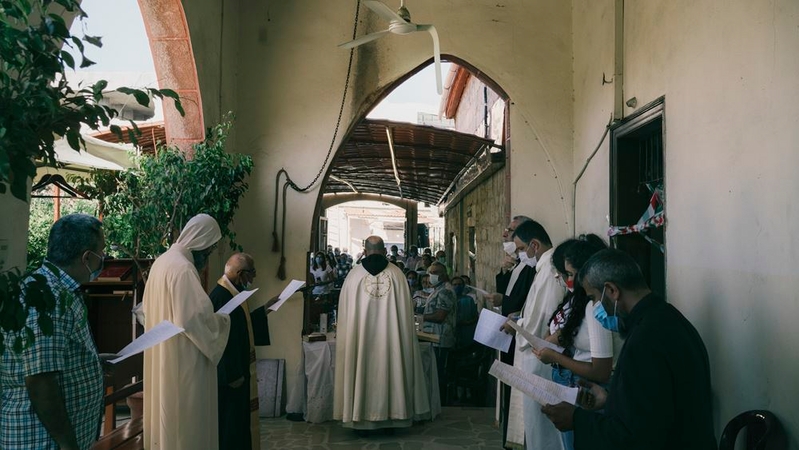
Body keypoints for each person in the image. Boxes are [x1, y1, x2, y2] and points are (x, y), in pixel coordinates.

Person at [541, 250, 716, 449]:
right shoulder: (669, 318)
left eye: (594, 298)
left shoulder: (645, 340)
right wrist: (611, 400)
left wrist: (577, 419)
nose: (596, 307)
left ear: (612, 290)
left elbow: (635, 436)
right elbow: (655, 404)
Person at [1, 214, 105, 450]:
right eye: (102, 253)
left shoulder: (60, 289)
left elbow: (51, 358)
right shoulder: (46, 297)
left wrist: (93, 363)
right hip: (41, 440)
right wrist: (69, 446)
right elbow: (40, 381)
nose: (104, 260)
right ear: (87, 257)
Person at [143, 214, 231, 450]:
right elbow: (193, 318)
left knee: (169, 425)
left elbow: (146, 310)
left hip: (164, 354)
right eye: (210, 250)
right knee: (187, 426)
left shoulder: (162, 263)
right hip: (184, 360)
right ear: (200, 243)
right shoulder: (183, 269)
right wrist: (222, 320)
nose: (208, 256)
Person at [333, 236, 431, 431]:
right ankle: (395, 415)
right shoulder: (397, 275)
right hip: (391, 341)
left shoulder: (354, 276)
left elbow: (345, 314)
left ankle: (360, 419)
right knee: (393, 366)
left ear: (365, 249)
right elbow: (405, 313)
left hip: (360, 341)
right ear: (384, 251)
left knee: (361, 368)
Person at [536, 236, 619, 450]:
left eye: (570, 274)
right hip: (573, 380)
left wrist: (555, 356)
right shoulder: (580, 300)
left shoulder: (595, 307)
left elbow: (601, 370)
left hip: (589, 386)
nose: (565, 279)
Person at [502, 219, 565, 450]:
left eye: (521, 249)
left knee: (542, 426)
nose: (520, 254)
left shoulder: (549, 270)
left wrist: (518, 325)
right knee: (535, 424)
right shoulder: (543, 268)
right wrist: (520, 317)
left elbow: (542, 318)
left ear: (534, 245)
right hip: (535, 352)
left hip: (538, 356)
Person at [209, 253, 279, 450]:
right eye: (252, 272)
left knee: (239, 423)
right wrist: (231, 374)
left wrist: (265, 309)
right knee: (230, 425)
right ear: (240, 273)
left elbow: (241, 325)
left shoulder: (234, 292)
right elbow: (218, 339)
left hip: (239, 371)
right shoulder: (220, 296)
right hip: (230, 376)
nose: (254, 277)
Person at [489, 215, 536, 448]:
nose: (507, 234)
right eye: (507, 230)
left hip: (520, 332)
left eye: (512, 231)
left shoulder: (532, 266)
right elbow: (510, 293)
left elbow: (525, 301)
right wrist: (505, 272)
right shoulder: (518, 263)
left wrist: (504, 302)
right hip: (509, 330)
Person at [422, 262, 456, 403]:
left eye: (434, 272)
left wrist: (421, 317)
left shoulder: (445, 290)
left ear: (443, 274)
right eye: (430, 272)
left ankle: (441, 402)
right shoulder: (437, 289)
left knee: (439, 373)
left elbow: (440, 316)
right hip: (433, 337)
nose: (431, 275)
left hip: (441, 338)